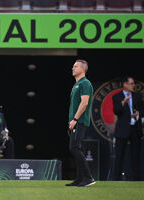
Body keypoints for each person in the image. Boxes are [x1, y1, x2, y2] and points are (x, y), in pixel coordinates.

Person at [112, 76, 144, 181]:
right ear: (125, 84)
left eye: (133, 84)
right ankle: (116, 179)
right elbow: (116, 111)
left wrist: (138, 114)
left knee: (136, 155)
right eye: (131, 84)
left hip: (135, 129)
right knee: (119, 156)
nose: (134, 86)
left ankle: (136, 179)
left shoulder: (137, 96)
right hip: (122, 129)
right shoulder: (117, 97)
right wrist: (123, 103)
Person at [66, 59, 95, 187]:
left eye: (75, 66)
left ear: (83, 69)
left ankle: (88, 178)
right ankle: (79, 179)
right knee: (78, 148)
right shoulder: (77, 84)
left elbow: (85, 103)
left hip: (80, 121)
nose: (73, 68)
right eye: (73, 66)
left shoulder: (85, 84)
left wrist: (75, 119)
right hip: (75, 121)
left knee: (74, 147)